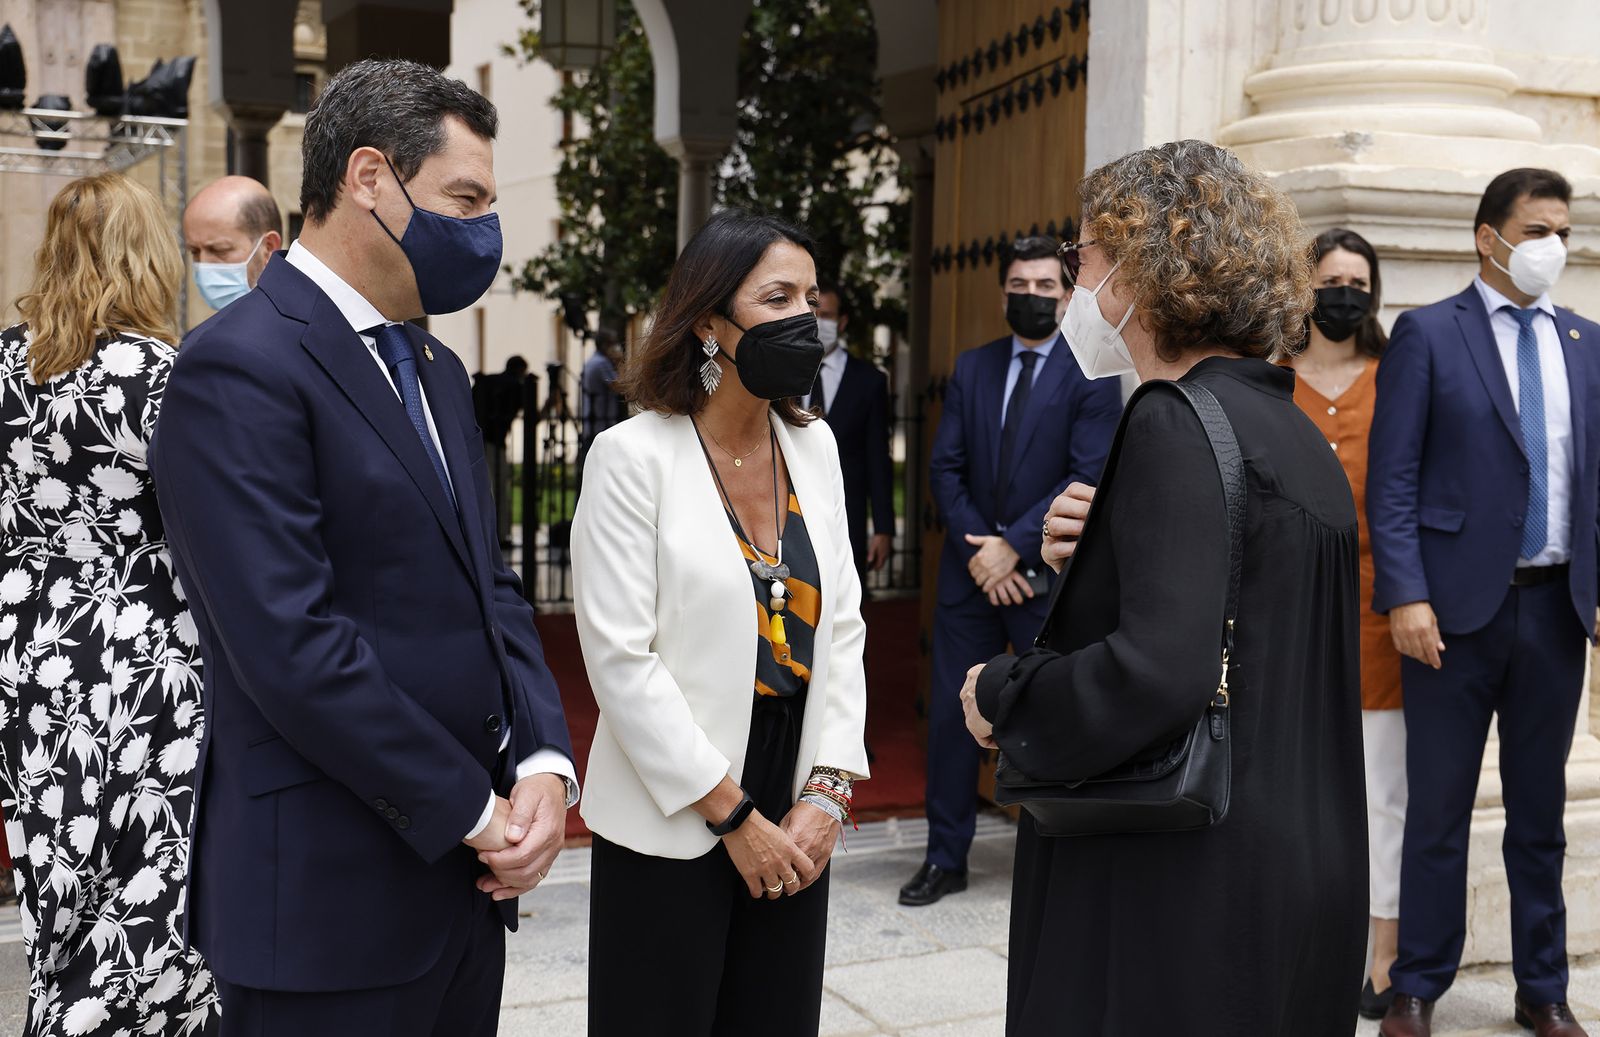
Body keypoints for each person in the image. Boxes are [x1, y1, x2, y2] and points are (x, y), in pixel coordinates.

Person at [148, 59, 576, 1036]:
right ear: (371, 178)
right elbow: (291, 647)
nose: (482, 230)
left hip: (464, 899)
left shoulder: (428, 361)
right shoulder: (238, 367)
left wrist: (545, 757)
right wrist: (476, 809)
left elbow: (491, 584)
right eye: (463, 197)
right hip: (325, 907)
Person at [962, 139, 1367, 1035]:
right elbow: (1244, 612)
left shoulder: (1173, 420)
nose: (1075, 289)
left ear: (1140, 270)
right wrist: (1108, 550)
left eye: (1082, 261)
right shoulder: (1292, 427)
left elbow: (1158, 670)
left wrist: (1001, 695)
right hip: (1294, 865)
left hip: (1179, 891)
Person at [572, 208, 869, 1037]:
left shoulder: (817, 449)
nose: (804, 319)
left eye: (811, 297)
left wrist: (828, 791)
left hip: (794, 783)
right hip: (679, 804)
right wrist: (734, 817)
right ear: (709, 319)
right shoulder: (632, 458)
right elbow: (622, 662)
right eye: (777, 298)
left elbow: (841, 627)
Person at [1370, 168, 1600, 1037]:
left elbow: (1597, 483)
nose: (1554, 247)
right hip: (1450, 618)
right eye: (1537, 229)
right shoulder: (1428, 334)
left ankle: (1544, 989)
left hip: (1554, 613)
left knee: (1539, 816)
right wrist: (1406, 594)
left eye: (1564, 232)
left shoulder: (1587, 341)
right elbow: (1390, 481)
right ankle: (1417, 984)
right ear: (1487, 237)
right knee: (1437, 812)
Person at [0, 172, 220, 1034]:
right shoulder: (168, 375)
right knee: (154, 900)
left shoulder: (2, 368)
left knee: (59, 894)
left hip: (36, 653)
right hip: (150, 655)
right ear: (148, 255)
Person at [903, 234, 1121, 907]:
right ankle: (946, 856)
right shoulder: (973, 367)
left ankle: (1053, 854)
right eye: (1019, 287)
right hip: (972, 578)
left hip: (1044, 578)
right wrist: (982, 552)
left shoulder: (1093, 375)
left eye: (1045, 287)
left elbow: (1086, 474)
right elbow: (945, 466)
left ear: (1066, 296)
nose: (1030, 297)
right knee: (950, 717)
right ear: (1004, 293)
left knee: (1047, 712)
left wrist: (1015, 547)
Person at [1287, 227, 1406, 1021]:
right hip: (1286, 617)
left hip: (1374, 612)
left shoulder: (1397, 375)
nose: (1344, 292)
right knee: (1294, 793)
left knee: (1381, 794)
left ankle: (1384, 957)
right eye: (1330, 279)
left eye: (1358, 281)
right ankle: (1297, 939)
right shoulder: (1268, 376)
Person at [805, 283, 893, 577]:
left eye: (826, 315)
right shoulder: (781, 376)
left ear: (841, 322)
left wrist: (883, 528)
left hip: (848, 514)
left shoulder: (869, 381)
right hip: (790, 510)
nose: (818, 322)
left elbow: (878, 457)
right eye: (812, 313)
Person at [182, 175, 283, 310]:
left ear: (268, 247)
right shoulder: (204, 331)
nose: (203, 264)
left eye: (219, 250)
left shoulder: (308, 325)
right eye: (194, 251)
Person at [474, 354, 529, 547]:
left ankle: (488, 533)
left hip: (477, 439)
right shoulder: (515, 386)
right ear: (521, 370)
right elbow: (533, 415)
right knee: (499, 487)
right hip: (495, 441)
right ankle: (500, 534)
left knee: (486, 488)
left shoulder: (488, 382)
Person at [579, 328, 627, 456]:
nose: (616, 347)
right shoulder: (602, 363)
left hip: (594, 420)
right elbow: (620, 386)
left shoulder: (593, 361)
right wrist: (619, 362)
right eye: (613, 343)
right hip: (600, 421)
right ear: (605, 345)